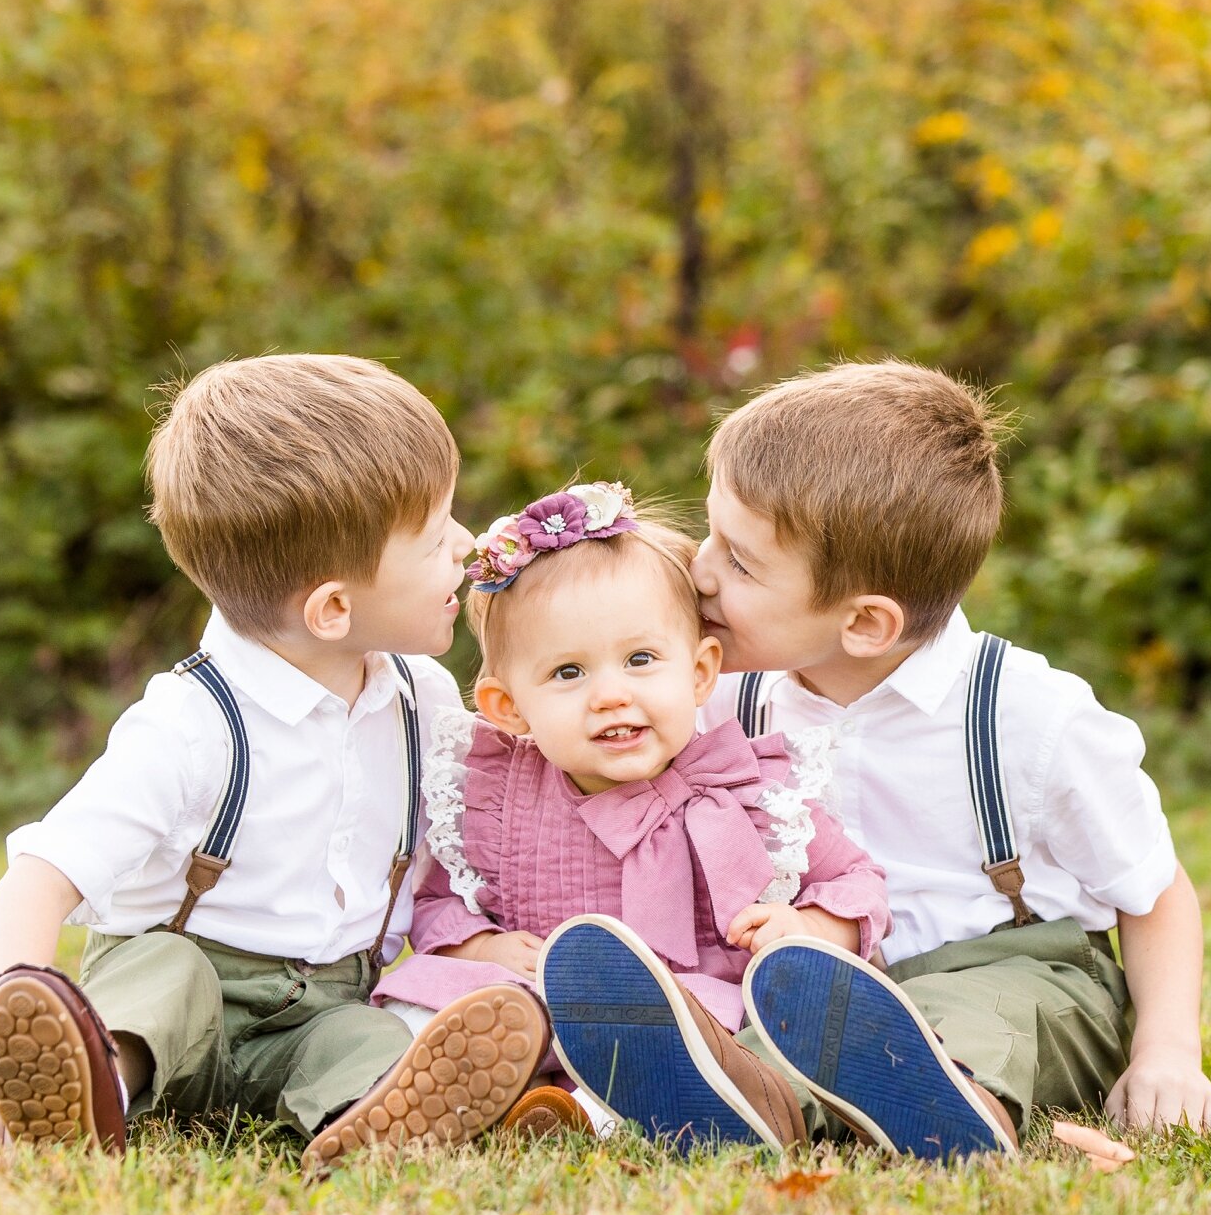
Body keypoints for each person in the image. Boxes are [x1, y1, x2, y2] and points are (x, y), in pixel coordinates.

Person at [0, 354, 549, 1168]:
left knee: (366, 1035)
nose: (465, 543)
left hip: (325, 1004)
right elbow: (36, 880)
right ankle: (94, 1084)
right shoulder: (193, 723)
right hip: (189, 986)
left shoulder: (424, 697)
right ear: (333, 607)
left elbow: (496, 830)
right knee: (162, 982)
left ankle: (377, 1111)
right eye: (435, 534)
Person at [697, 362, 1211, 1160]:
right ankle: (742, 1092)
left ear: (867, 623)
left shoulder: (1027, 714)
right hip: (820, 978)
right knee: (768, 1027)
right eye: (711, 533)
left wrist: (1167, 1054)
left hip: (1022, 972)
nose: (700, 568)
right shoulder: (723, 697)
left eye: (738, 562)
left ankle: (947, 1106)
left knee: (982, 1020)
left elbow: (1155, 894)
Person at [371, 482, 890, 1153]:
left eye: (641, 660)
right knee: (428, 1003)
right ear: (508, 706)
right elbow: (438, 903)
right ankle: (439, 1093)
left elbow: (856, 880)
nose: (612, 695)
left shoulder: (750, 787)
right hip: (530, 1002)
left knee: (754, 1037)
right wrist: (480, 946)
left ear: (700, 673)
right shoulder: (495, 794)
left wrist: (807, 925)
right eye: (567, 672)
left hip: (689, 1011)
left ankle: (595, 1115)